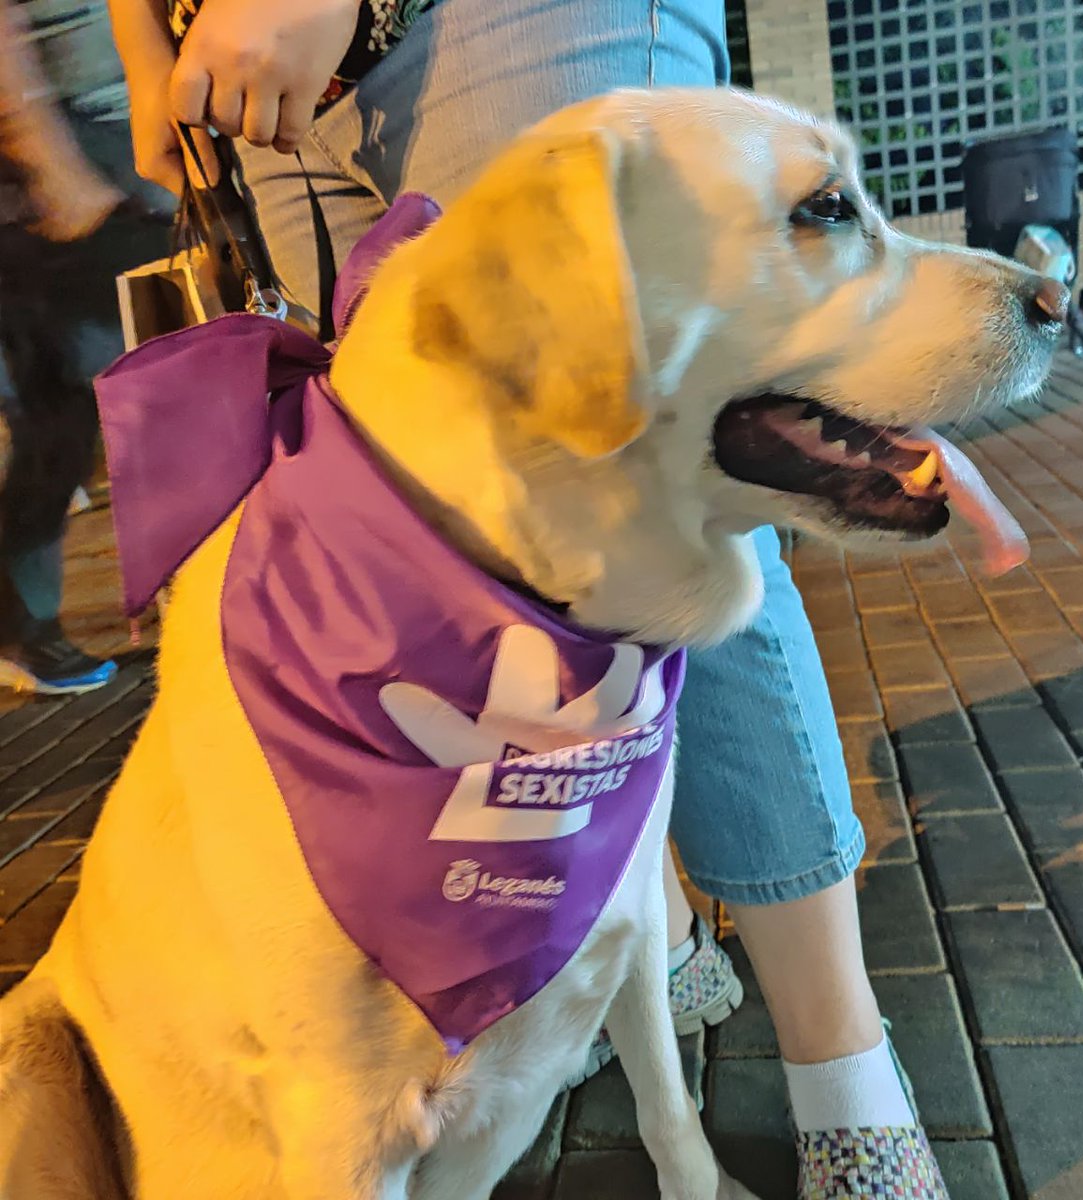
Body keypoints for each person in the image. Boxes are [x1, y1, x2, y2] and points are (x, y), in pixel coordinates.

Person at [108, 2, 947, 1193]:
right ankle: (624, 926)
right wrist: (143, 47)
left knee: (666, 491)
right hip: (249, 74)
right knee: (471, 521)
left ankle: (844, 1076)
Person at [0, 0, 165, 694]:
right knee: (91, 403)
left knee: (91, 408)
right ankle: (21, 625)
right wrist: (49, 159)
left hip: (124, 135)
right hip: (73, 153)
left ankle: (24, 625)